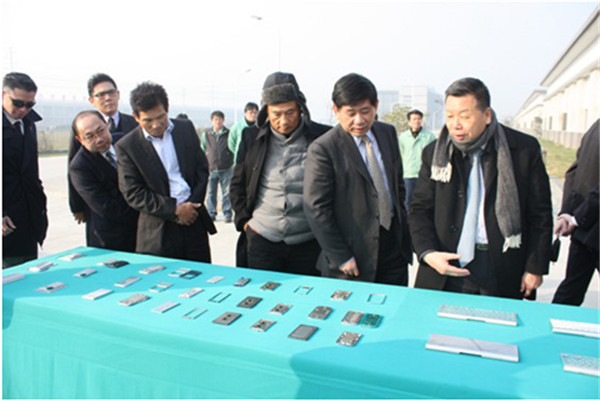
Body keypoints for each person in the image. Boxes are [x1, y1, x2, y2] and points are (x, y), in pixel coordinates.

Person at [408, 77, 552, 299]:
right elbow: (419, 209)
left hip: (502, 264)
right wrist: (428, 253)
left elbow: (540, 213)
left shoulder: (523, 151)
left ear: (487, 115)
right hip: (446, 263)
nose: (456, 124)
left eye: (465, 116)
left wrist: (536, 266)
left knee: (499, 321)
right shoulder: (435, 153)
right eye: (450, 116)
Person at [304, 73, 412, 284]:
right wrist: (341, 256)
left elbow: (397, 186)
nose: (359, 120)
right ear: (336, 110)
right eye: (350, 113)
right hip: (353, 254)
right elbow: (316, 209)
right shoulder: (323, 149)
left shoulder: (387, 133)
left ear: (376, 106)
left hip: (393, 249)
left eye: (365, 111)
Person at [230, 72, 330, 275]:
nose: (283, 121)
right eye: (276, 114)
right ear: (266, 112)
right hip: (263, 238)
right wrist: (244, 222)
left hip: (309, 240)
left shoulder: (322, 137)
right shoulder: (251, 138)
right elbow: (237, 184)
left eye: (290, 112)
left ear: (301, 108)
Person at [115, 82, 216, 262]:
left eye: (160, 117)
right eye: (148, 120)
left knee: (202, 274)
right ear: (136, 117)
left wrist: (191, 205)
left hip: (194, 221)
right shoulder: (127, 146)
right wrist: (174, 210)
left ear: (167, 109)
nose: (156, 125)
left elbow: (201, 169)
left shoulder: (185, 129)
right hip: (158, 230)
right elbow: (133, 192)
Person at [68, 73, 137, 238]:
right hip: (108, 226)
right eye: (100, 95)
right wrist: (76, 206)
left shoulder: (131, 129)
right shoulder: (80, 161)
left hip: (137, 216)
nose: (98, 139)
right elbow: (73, 169)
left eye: (111, 92)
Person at [69, 110, 138, 252]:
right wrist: (144, 213)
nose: (99, 139)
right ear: (79, 140)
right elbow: (106, 207)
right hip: (111, 238)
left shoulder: (125, 141)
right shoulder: (80, 167)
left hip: (143, 232)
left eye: (100, 131)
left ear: (107, 125)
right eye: (89, 137)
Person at [2, 72, 48, 268]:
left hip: (28, 213)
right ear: (3, 95)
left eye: (30, 105)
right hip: (6, 216)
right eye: (18, 103)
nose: (23, 109)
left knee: (28, 270)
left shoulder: (29, 124)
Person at [552, 119, 599, 306]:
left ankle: (551, 325)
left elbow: (573, 171)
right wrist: (575, 218)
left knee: (570, 292)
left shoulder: (595, 126)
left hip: (583, 229)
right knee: (570, 291)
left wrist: (568, 213)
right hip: (587, 222)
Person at [398, 109, 436, 209]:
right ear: (409, 121)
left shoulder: (429, 137)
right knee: (408, 201)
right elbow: (400, 155)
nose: (417, 121)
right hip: (408, 174)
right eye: (414, 119)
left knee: (424, 200)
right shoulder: (403, 137)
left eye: (419, 119)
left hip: (424, 174)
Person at [201, 111, 233, 223]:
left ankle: (227, 213)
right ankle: (211, 213)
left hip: (226, 168)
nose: (218, 122)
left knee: (226, 193)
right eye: (215, 119)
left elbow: (233, 148)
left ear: (223, 120)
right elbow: (202, 149)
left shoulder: (229, 133)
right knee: (211, 193)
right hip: (211, 169)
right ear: (212, 121)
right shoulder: (206, 134)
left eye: (220, 119)